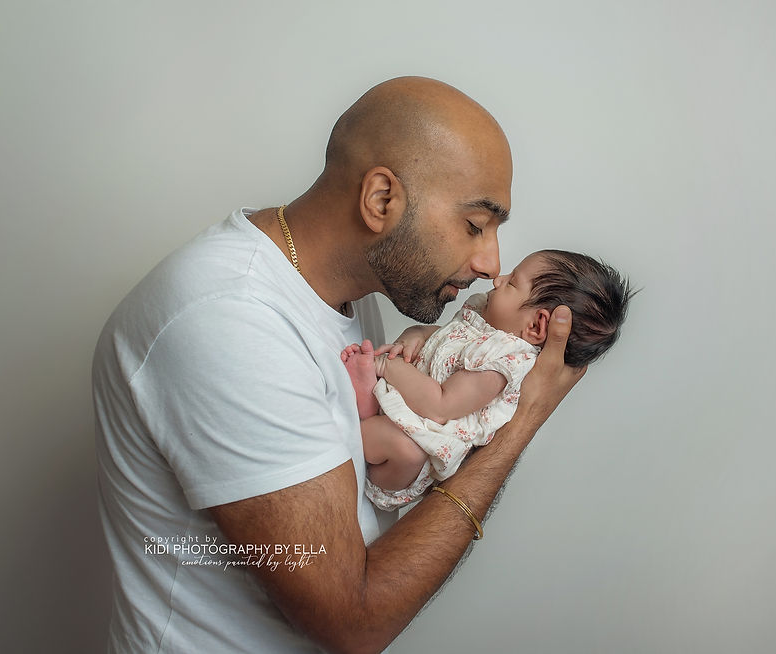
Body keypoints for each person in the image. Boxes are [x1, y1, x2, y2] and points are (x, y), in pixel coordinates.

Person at [93, 76, 585, 654]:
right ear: (381, 200)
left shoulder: (348, 297)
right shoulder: (229, 320)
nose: (491, 262)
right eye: (475, 225)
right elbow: (353, 619)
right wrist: (520, 422)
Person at [341, 250, 633, 511]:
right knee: (387, 415)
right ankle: (366, 406)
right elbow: (442, 339)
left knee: (404, 448)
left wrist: (385, 366)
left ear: (536, 325)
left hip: (413, 453)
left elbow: (441, 404)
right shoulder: (483, 320)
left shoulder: (501, 365)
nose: (498, 279)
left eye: (512, 282)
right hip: (405, 408)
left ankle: (355, 423)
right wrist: (415, 336)